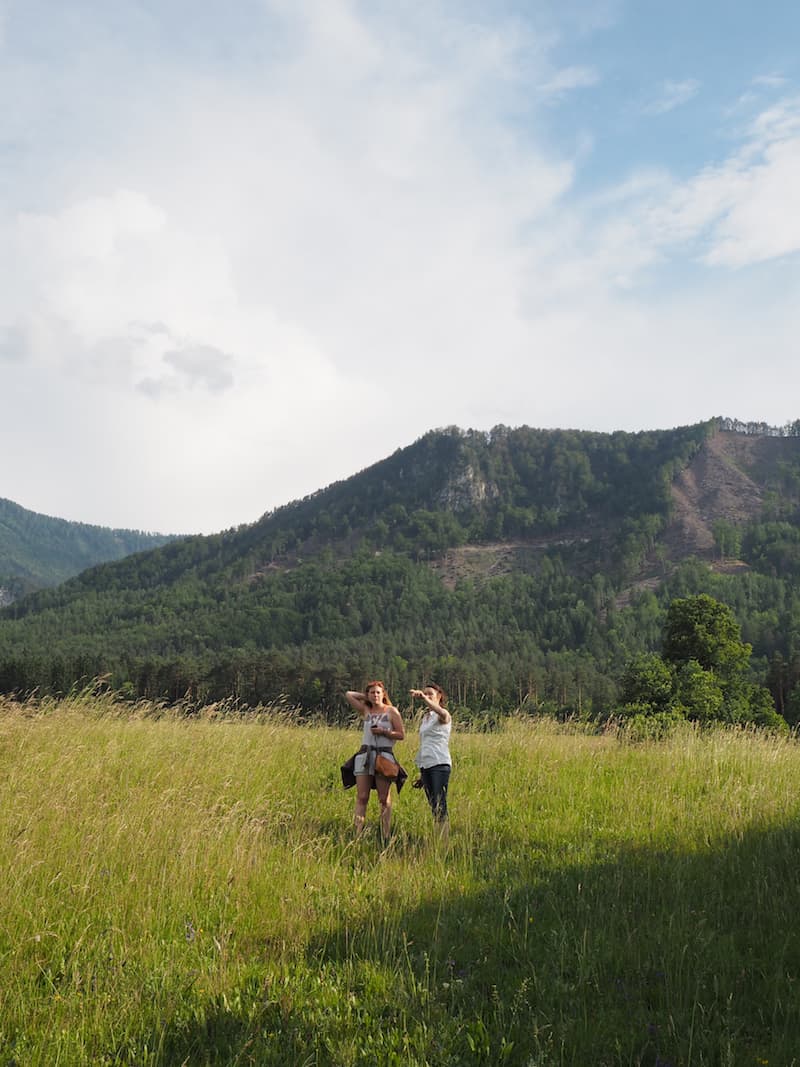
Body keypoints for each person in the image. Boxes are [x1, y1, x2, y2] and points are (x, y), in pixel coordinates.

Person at [345, 681, 406, 840]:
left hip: (384, 756)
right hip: (365, 755)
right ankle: (357, 833)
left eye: (378, 692)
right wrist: (366, 697)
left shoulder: (391, 711)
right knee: (362, 796)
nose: (375, 695)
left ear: (383, 693)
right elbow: (349, 695)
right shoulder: (366, 710)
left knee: (383, 798)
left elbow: (401, 735)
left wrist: (384, 732)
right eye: (372, 693)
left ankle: (385, 834)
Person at [410, 683, 452, 828]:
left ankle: (443, 841)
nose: (426, 697)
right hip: (426, 765)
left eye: (430, 694)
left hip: (439, 764)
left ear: (439, 697)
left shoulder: (443, 715)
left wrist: (423, 697)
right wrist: (422, 773)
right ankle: (438, 839)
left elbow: (443, 714)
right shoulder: (426, 718)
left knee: (440, 804)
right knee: (434, 805)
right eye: (425, 693)